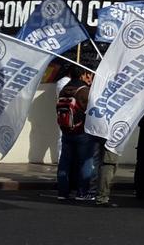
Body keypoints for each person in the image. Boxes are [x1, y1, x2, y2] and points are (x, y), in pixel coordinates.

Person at [56, 68, 98, 201]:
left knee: (65, 162)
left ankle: (62, 192)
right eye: (88, 74)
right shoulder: (84, 91)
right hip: (82, 132)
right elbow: (93, 109)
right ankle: (82, 192)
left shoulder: (64, 89)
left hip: (66, 130)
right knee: (85, 162)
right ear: (83, 74)